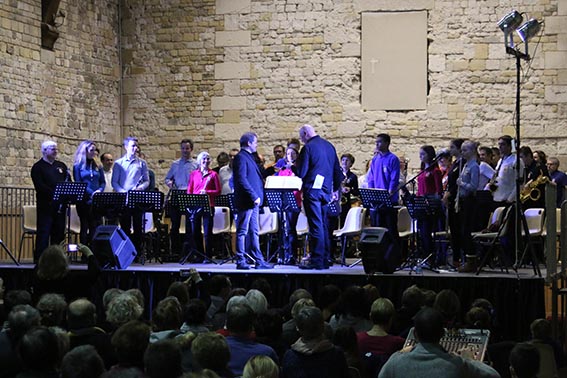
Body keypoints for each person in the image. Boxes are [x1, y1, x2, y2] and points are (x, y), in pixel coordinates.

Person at [378, 307, 500, 378]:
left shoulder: (395, 362)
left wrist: (399, 353)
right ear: (443, 334)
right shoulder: (457, 364)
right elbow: (494, 375)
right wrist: (470, 360)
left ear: (415, 334)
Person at [296, 124, 343, 270]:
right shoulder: (329, 146)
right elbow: (337, 171)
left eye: (301, 137)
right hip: (325, 191)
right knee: (323, 224)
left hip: (312, 191)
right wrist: (334, 189)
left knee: (316, 225)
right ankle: (325, 258)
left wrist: (293, 167)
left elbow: (302, 172)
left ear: (305, 134)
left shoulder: (308, 148)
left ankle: (317, 260)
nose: (302, 140)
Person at [232, 132, 274, 270]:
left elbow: (260, 174)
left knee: (254, 231)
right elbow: (241, 179)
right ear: (249, 143)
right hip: (247, 201)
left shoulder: (249, 157)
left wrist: (274, 169)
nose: (256, 144)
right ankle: (240, 260)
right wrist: (253, 195)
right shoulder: (240, 158)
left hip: (254, 202)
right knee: (243, 231)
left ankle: (258, 260)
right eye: (255, 142)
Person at [30, 140, 70, 262]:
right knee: (44, 234)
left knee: (58, 234)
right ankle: (40, 261)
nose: (55, 151)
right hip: (46, 207)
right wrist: (55, 194)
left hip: (60, 207)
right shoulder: (38, 167)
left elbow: (68, 182)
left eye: (56, 148)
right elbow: (40, 186)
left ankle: (57, 260)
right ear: (44, 150)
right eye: (52, 148)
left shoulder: (61, 166)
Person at [111, 136, 149, 253]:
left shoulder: (142, 163)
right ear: (126, 147)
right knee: (125, 227)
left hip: (137, 198)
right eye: (133, 146)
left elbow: (147, 180)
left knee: (138, 227)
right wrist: (124, 192)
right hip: (124, 199)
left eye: (136, 146)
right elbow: (114, 182)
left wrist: (140, 188)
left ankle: (136, 252)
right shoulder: (118, 163)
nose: (135, 148)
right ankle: (126, 252)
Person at [164, 139, 198, 254]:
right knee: (175, 225)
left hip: (189, 194)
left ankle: (189, 252)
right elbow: (167, 178)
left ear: (191, 149)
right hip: (177, 193)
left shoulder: (195, 164)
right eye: (183, 148)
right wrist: (169, 182)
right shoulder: (175, 164)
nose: (185, 151)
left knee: (189, 224)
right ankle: (175, 251)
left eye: (187, 148)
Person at [186, 151, 221, 261]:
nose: (206, 161)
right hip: (195, 205)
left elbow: (218, 191)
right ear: (199, 161)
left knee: (207, 232)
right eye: (203, 159)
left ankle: (208, 255)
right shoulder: (194, 174)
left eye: (208, 159)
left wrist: (207, 192)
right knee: (195, 231)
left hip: (208, 205)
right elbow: (190, 190)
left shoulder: (213, 174)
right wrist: (190, 202)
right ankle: (200, 255)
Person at [367, 133, 401, 241]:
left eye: (379, 142)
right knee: (377, 229)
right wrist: (371, 192)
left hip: (389, 200)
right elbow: (371, 178)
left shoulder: (393, 159)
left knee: (390, 230)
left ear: (387, 143)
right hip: (377, 200)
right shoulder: (375, 160)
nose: (376, 144)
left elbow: (394, 178)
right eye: (376, 142)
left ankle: (393, 255)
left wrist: (390, 192)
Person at [72, 140, 105, 246]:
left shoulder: (98, 166)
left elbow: (102, 182)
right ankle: (84, 251)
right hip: (84, 200)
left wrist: (99, 190)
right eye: (91, 150)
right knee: (84, 225)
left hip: (96, 200)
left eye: (95, 150)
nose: (94, 152)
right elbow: (78, 182)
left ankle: (94, 250)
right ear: (85, 151)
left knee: (94, 226)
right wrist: (91, 192)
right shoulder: (78, 166)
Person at [415, 145, 443, 260]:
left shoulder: (435, 171)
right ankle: (423, 254)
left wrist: (433, 199)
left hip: (430, 204)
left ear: (430, 155)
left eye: (423, 154)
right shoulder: (422, 170)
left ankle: (430, 256)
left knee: (427, 231)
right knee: (421, 232)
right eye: (420, 154)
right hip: (421, 203)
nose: (420, 156)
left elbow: (438, 189)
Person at [457, 141, 480, 273]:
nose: (463, 152)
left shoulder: (474, 166)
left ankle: (471, 260)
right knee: (463, 231)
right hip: (463, 200)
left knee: (467, 231)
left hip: (470, 201)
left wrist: (462, 184)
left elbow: (474, 186)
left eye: (465, 150)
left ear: (472, 151)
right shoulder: (465, 165)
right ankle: (466, 258)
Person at [276, 146, 302, 265]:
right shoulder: (282, 170)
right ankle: (282, 255)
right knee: (282, 229)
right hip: (283, 202)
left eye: (292, 154)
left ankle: (292, 255)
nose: (290, 156)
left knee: (291, 229)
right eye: (288, 154)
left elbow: (299, 185)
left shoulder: (298, 169)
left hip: (294, 202)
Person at [442, 138, 465, 265]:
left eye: (452, 147)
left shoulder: (463, 164)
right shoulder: (456, 163)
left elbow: (458, 183)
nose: (450, 150)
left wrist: (450, 192)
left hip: (458, 200)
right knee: (454, 231)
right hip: (451, 200)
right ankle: (455, 259)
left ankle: (459, 259)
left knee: (458, 231)